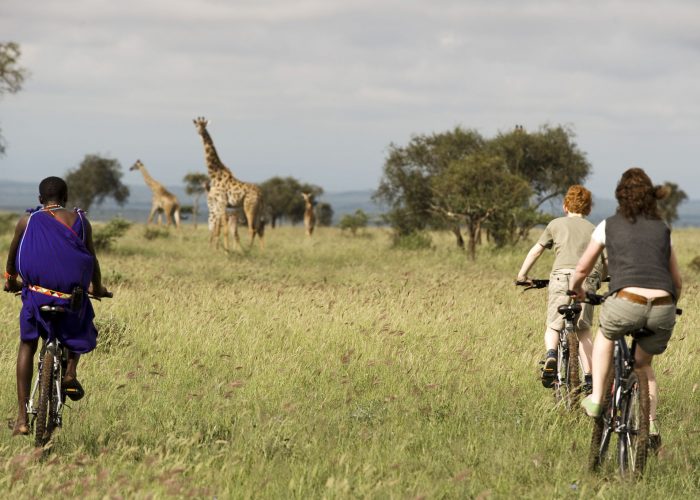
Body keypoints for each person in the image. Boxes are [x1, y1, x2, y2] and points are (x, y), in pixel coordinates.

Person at [571, 168, 682, 446]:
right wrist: (670, 306)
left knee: (605, 336)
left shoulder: (608, 225)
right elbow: (676, 281)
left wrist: (576, 290)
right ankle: (651, 424)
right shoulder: (663, 229)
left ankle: (597, 398)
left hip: (625, 303)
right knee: (643, 365)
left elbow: (584, 267)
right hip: (663, 308)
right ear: (650, 196)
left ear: (620, 195)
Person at [4, 176, 111, 436]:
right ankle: (71, 371)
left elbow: (11, 259)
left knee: (28, 344)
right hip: (71, 298)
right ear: (65, 198)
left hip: (37, 297)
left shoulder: (27, 221)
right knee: (82, 317)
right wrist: (96, 287)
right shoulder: (81, 221)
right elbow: (91, 259)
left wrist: (10, 281)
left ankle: (21, 418)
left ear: (40, 200)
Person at [517, 185, 604, 389]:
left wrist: (522, 275)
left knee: (554, 325)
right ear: (588, 209)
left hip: (561, 277)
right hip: (587, 279)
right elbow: (602, 258)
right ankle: (590, 377)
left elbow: (536, 251)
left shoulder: (555, 224)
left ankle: (550, 356)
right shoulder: (593, 229)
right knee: (583, 331)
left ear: (565, 206)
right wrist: (599, 277)